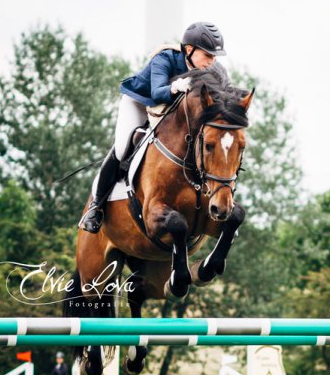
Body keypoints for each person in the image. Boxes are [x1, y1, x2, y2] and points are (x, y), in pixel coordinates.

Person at [79, 21, 226, 233]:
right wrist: (175, 87)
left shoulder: (213, 70)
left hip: (169, 110)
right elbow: (157, 93)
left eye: (215, 57)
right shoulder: (165, 58)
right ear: (189, 50)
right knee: (122, 148)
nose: (212, 61)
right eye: (208, 55)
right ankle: (96, 207)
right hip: (140, 102)